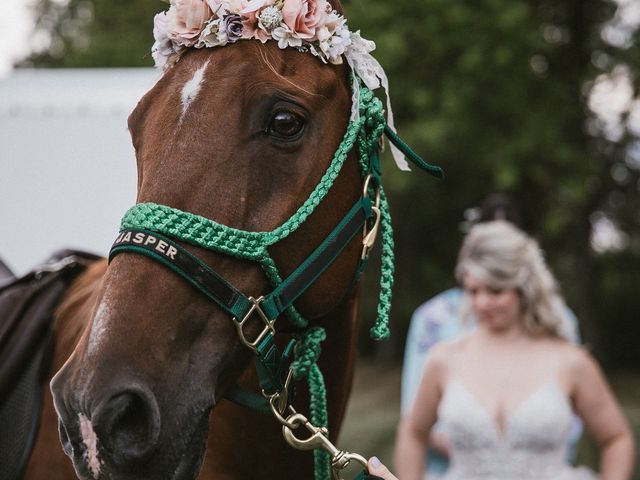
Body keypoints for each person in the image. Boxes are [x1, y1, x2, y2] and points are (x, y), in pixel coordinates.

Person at [394, 221, 635, 480]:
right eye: (473, 290)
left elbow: (616, 438)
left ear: (524, 288)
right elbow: (413, 433)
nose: (482, 302)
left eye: (495, 290)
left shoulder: (570, 361)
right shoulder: (444, 359)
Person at [401, 195, 582, 476]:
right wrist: (479, 449)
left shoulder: (561, 320)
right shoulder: (432, 319)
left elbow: (572, 413)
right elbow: (414, 414)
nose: (483, 303)